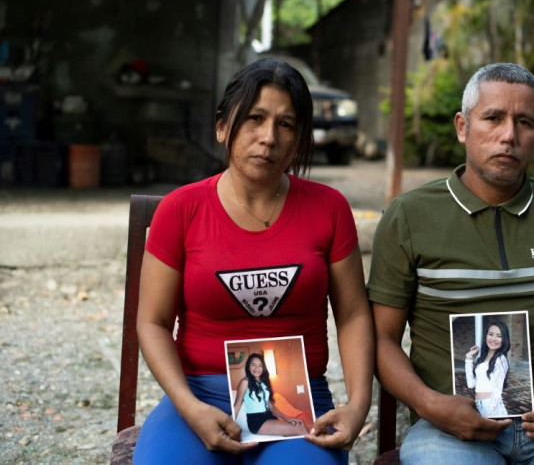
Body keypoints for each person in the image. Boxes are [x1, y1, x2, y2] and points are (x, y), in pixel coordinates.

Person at [368, 62, 534, 464]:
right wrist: (430, 404)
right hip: (449, 431)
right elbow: (380, 340)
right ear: (462, 127)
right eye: (493, 118)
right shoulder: (409, 217)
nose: (509, 135)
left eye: (524, 122)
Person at [133, 57, 374, 464]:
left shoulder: (329, 208)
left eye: (286, 124)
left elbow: (352, 315)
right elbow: (152, 322)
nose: (268, 137)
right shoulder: (181, 209)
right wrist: (191, 408)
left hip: (298, 402)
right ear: (223, 126)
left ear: (299, 139)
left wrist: (358, 404)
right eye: (255, 118)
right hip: (197, 396)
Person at [233, 353, 307, 438]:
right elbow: (237, 406)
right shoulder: (245, 382)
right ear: (248, 366)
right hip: (256, 421)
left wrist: (287, 418)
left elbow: (270, 407)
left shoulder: (264, 383)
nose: (257, 368)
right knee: (300, 429)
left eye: (260, 366)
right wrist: (228, 426)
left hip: (268, 416)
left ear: (263, 368)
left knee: (299, 427)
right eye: (253, 365)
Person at [464, 318, 509, 418]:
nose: (493, 339)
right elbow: (471, 384)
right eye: (491, 334)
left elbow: (497, 391)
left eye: (499, 336)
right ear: (486, 335)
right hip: (479, 405)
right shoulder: (483, 357)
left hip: (491, 408)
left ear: (504, 339)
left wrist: (492, 417)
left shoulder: (501, 359)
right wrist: (469, 358)